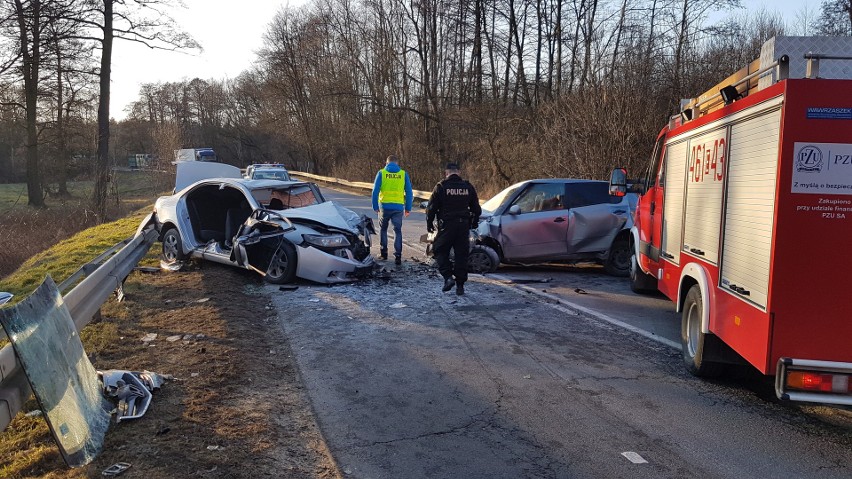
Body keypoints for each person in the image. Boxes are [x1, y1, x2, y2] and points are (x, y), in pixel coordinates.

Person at [426, 162, 481, 295]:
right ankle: (460, 285)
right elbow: (477, 209)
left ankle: (448, 277)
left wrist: (429, 225)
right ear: (459, 172)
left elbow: (431, 208)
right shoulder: (468, 187)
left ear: (446, 173)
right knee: (461, 255)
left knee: (439, 250)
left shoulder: (441, 187)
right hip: (463, 226)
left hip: (446, 226)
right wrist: (474, 223)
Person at [371, 154, 413, 265]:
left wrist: (375, 206)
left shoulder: (382, 173)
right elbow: (409, 192)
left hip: (384, 206)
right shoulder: (403, 174)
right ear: (397, 163)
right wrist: (408, 208)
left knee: (383, 229)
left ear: (387, 163)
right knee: (397, 231)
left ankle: (383, 253)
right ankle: (398, 256)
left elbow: (375, 191)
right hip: (398, 207)